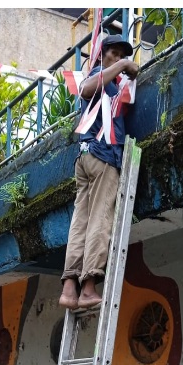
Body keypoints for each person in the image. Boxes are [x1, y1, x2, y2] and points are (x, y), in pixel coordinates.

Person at [58, 33, 137, 311]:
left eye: (122, 55)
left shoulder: (113, 83)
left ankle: (69, 289)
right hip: (102, 156)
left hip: (86, 157)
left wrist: (125, 71)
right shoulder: (97, 75)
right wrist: (123, 66)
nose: (117, 58)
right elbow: (86, 89)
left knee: (80, 222)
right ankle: (89, 286)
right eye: (113, 53)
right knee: (100, 219)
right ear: (102, 54)